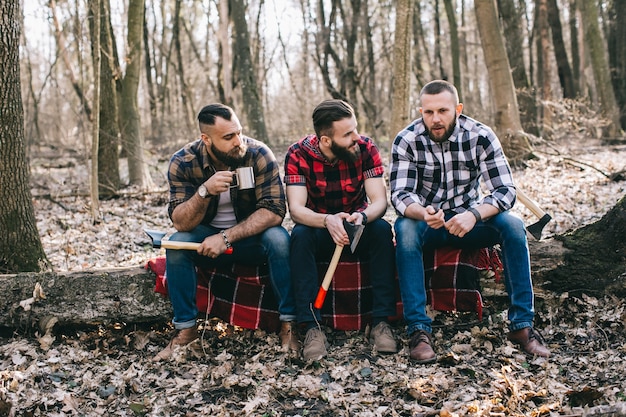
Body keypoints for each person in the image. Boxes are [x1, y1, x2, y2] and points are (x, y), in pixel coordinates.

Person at [389, 80, 550, 363]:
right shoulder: (407, 140)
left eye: (442, 111)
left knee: (513, 226)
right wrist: (422, 212)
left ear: (458, 109)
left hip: (470, 220)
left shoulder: (481, 136)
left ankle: (522, 326)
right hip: (429, 223)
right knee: (404, 228)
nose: (435, 119)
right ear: (421, 111)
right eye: (428, 112)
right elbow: (401, 195)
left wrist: (474, 215)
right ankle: (418, 330)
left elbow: (505, 191)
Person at [154, 103, 299, 361]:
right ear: (206, 139)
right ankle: (185, 333)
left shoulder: (258, 154)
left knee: (279, 239)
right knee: (175, 245)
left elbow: (275, 210)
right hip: (202, 238)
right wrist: (204, 191)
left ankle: (289, 325)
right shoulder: (184, 162)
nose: (237, 141)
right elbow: (180, 222)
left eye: (239, 133)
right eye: (228, 137)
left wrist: (225, 237)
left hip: (248, 240)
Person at [284, 99, 398, 361]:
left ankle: (381, 322)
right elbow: (297, 210)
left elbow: (379, 201)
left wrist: (362, 216)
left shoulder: (366, 148)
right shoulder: (297, 154)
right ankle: (312, 326)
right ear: (326, 141)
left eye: (355, 129)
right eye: (347, 134)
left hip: (358, 225)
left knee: (381, 229)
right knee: (299, 236)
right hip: (318, 226)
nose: (356, 137)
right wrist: (327, 221)